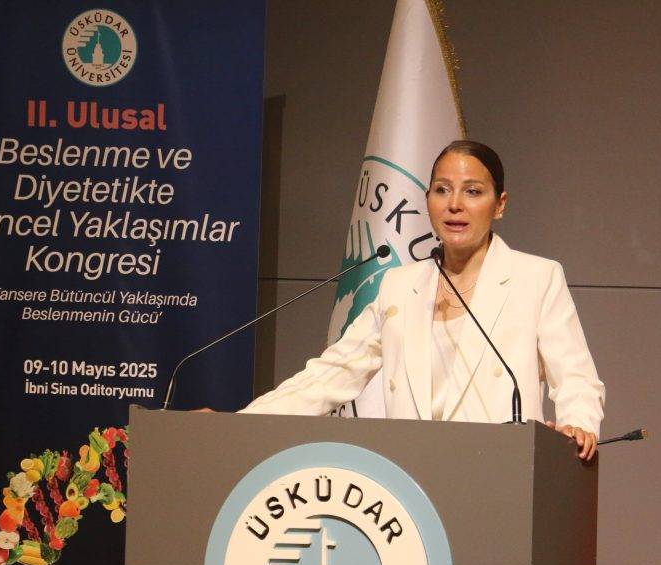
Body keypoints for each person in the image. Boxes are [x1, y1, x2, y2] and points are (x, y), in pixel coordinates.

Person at [241, 140, 605, 460]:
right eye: (442, 190)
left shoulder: (535, 279)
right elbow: (332, 374)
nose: (454, 205)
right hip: (411, 478)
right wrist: (241, 423)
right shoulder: (399, 287)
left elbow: (576, 379)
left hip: (499, 473)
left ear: (500, 204)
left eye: (473, 191)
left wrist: (578, 424)